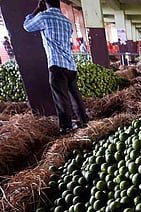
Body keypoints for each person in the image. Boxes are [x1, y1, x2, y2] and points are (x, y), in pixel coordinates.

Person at [24, 0, 89, 134]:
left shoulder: (44, 17)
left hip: (56, 65)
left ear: (45, 3)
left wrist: (37, 9)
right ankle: (84, 122)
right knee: (75, 96)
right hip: (70, 65)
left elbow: (27, 26)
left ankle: (66, 127)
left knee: (61, 98)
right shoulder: (66, 21)